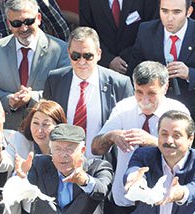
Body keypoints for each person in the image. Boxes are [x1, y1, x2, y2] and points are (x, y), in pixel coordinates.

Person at [91, 61, 190, 214]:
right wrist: (111, 136)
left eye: (151, 93)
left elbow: (186, 154)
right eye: (139, 92)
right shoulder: (124, 108)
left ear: (165, 88)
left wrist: (154, 141)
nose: (144, 100)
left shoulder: (177, 112)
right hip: (125, 201)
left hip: (161, 202)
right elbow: (95, 147)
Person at [43, 26, 134, 158]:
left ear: (99, 54)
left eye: (88, 56)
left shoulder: (120, 84)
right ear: (68, 53)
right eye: (75, 56)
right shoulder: (55, 80)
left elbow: (128, 126)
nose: (81, 61)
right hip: (64, 162)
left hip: (105, 164)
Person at [127, 0, 195, 120]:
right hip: (152, 108)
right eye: (164, 11)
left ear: (188, 12)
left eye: (176, 12)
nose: (169, 18)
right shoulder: (146, 31)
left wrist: (190, 74)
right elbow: (134, 69)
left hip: (193, 111)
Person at [0, 0, 70, 130]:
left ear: (38, 18)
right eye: (17, 23)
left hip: (45, 131)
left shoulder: (60, 50)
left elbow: (63, 93)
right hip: (9, 130)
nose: (23, 28)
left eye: (28, 22)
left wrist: (31, 97)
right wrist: (9, 100)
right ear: (8, 24)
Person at [79, 0, 158, 74]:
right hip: (102, 69)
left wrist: (126, 58)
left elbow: (151, 30)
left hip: (139, 68)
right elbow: (87, 34)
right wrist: (109, 60)